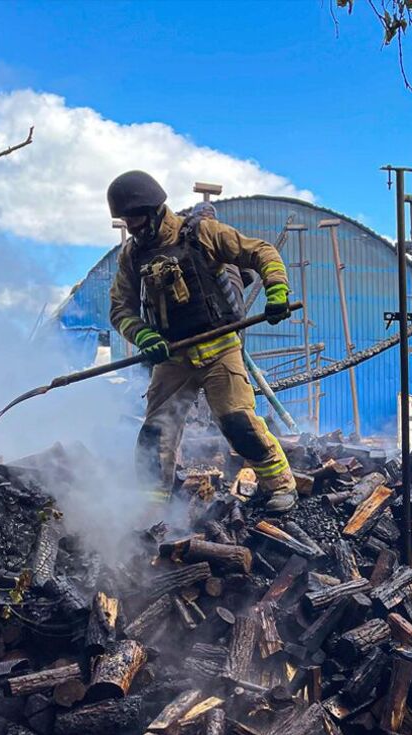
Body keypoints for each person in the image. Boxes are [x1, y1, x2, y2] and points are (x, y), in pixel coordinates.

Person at [106, 170, 298, 512]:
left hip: (220, 350)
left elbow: (261, 252)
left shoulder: (201, 234)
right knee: (155, 433)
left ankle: (281, 486)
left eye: (134, 220)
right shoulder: (132, 257)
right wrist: (143, 334)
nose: (132, 228)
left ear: (153, 211)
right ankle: (150, 508)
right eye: (125, 221)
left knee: (238, 421)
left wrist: (277, 288)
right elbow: (120, 309)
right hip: (173, 358)